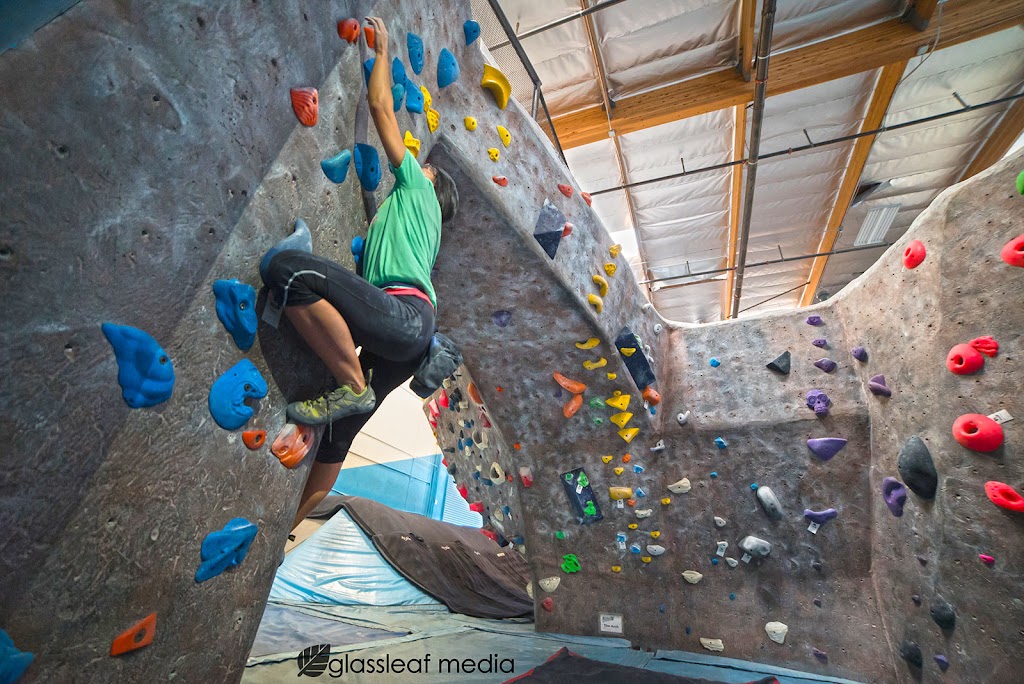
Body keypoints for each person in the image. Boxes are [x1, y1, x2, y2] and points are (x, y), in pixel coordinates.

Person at [263, 16, 458, 530]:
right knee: (340, 436)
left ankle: (351, 382)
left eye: (422, 166)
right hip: (409, 335)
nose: (413, 162)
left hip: (404, 316)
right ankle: (288, 530)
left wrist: (385, 47)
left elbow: (380, 111)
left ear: (429, 182)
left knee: (288, 272)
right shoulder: (420, 228)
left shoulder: (417, 189)